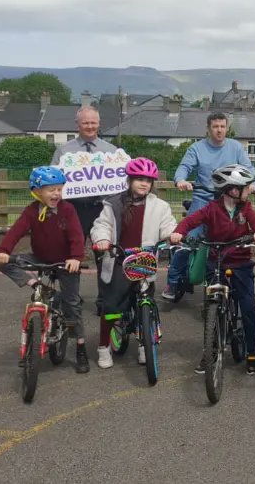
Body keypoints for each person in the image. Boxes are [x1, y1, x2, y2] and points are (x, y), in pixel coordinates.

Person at [170, 164, 255, 374]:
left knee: (248, 307)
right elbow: (189, 221)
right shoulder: (211, 208)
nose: (249, 190)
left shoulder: (246, 209)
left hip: (241, 263)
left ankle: (252, 352)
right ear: (233, 190)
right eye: (246, 187)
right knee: (211, 307)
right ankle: (211, 351)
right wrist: (178, 232)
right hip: (217, 262)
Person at [0, 167, 88, 373]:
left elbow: (76, 235)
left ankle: (80, 346)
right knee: (3, 262)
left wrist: (75, 257)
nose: (56, 194)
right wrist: (3, 250)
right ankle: (37, 285)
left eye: (59, 189)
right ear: (37, 191)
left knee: (71, 305)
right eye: (50, 190)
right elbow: (16, 231)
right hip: (40, 258)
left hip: (66, 261)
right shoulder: (31, 211)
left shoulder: (68, 210)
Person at [89, 158, 177, 369]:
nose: (144, 183)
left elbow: (168, 226)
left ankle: (143, 343)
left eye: (148, 180)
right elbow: (102, 225)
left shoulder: (160, 206)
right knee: (111, 307)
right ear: (129, 180)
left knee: (145, 301)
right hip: (119, 258)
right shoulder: (114, 203)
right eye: (139, 179)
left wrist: (173, 235)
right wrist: (102, 239)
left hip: (144, 259)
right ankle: (103, 346)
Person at [165, 113, 255, 302]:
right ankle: (173, 283)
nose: (219, 130)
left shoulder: (236, 147)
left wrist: (254, 184)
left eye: (222, 126)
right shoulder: (196, 148)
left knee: (234, 239)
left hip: (229, 200)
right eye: (215, 126)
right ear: (208, 128)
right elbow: (184, 167)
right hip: (203, 198)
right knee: (187, 240)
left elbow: (250, 169)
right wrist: (181, 180)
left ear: (227, 128)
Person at [50, 106, 118, 240]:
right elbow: (53, 179)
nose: (90, 126)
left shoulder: (112, 151)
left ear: (99, 124)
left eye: (93, 123)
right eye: (86, 123)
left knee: (104, 251)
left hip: (102, 208)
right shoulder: (63, 151)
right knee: (72, 250)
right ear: (78, 124)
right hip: (72, 208)